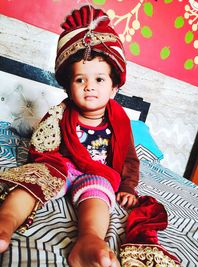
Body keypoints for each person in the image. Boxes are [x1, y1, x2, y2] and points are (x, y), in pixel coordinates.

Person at [0, 5, 139, 267]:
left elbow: (130, 158)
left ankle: (89, 240)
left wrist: (129, 187)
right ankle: (5, 221)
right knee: (34, 179)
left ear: (114, 88)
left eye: (99, 79)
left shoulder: (120, 121)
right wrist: (44, 167)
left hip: (95, 171)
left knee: (99, 194)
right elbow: (42, 145)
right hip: (60, 165)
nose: (89, 86)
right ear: (68, 86)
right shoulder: (59, 114)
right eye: (80, 80)